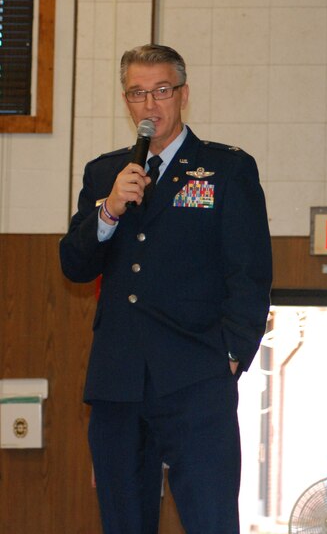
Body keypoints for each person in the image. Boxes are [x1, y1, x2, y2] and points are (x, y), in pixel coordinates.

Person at [60, 44, 272, 533]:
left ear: (183, 95)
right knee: (124, 522)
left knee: (209, 520)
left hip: (196, 377)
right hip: (119, 381)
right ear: (126, 101)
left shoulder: (226, 169)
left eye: (161, 91)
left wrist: (230, 357)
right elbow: (73, 264)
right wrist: (109, 209)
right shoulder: (103, 172)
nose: (150, 105)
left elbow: (250, 274)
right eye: (138, 93)